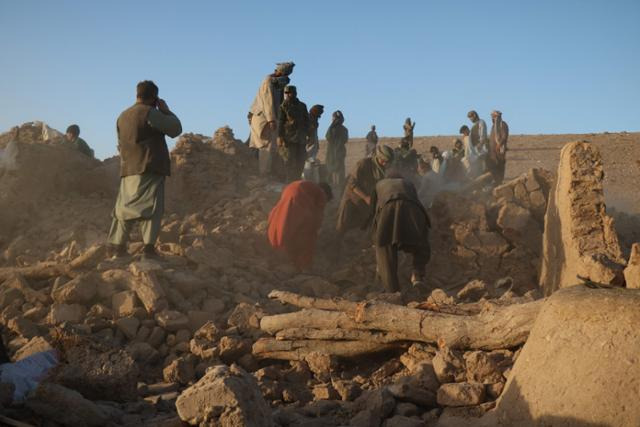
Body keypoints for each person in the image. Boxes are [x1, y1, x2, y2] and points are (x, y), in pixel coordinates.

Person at [107, 80, 182, 259]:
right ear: (155, 98)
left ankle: (117, 248)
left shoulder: (122, 116)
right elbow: (175, 129)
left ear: (137, 95)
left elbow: (120, 142)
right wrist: (166, 110)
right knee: (152, 208)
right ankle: (149, 250)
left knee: (124, 208)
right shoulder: (150, 113)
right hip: (149, 167)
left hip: (128, 169)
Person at [370, 175, 431, 292]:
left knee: (384, 247)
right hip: (413, 209)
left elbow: (373, 212)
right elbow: (416, 199)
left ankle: (392, 290)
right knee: (421, 241)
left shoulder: (379, 184)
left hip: (388, 210)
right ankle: (417, 276)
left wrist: (375, 239)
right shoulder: (408, 183)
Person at [267, 180, 333, 271]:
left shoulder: (306, 186)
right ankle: (304, 266)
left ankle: (280, 249)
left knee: (283, 221)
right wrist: (317, 228)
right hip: (299, 198)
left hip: (288, 191)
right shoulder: (321, 193)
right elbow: (317, 217)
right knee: (308, 233)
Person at [249, 62, 295, 176]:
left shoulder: (278, 83)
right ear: (281, 72)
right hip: (264, 119)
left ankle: (262, 173)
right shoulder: (268, 81)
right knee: (266, 146)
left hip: (271, 117)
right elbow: (268, 102)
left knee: (269, 147)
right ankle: (263, 174)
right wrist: (271, 120)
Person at [336, 144, 393, 235]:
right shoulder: (363, 164)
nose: (385, 164)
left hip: (368, 199)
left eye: (387, 162)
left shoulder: (383, 169)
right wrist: (366, 197)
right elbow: (351, 183)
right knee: (343, 224)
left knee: (364, 223)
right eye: (383, 160)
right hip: (352, 197)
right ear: (378, 157)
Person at [278, 85, 310, 183]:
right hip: (289, 139)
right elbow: (280, 122)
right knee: (289, 162)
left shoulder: (302, 106)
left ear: (295, 93)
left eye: (289, 93)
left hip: (301, 138)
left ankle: (297, 181)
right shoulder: (283, 106)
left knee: (301, 161)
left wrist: (309, 134)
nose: (287, 95)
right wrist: (280, 137)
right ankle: (289, 183)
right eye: (286, 93)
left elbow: (306, 121)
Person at [325, 110, 349, 187]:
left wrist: (332, 125)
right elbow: (345, 140)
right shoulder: (344, 129)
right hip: (339, 151)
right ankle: (339, 185)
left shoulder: (332, 128)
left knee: (331, 168)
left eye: (333, 118)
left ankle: (333, 185)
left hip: (333, 151)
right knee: (339, 168)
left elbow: (328, 137)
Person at [303, 104, 324, 183]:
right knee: (308, 164)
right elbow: (308, 133)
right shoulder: (309, 120)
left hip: (312, 146)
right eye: (319, 113)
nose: (320, 116)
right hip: (309, 146)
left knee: (312, 165)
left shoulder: (313, 120)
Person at [488, 110, 509, 185]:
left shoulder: (503, 125)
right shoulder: (493, 127)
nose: (493, 118)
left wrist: (499, 144)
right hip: (493, 152)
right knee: (494, 166)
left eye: (494, 117)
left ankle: (499, 182)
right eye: (492, 117)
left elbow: (504, 136)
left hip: (500, 151)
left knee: (500, 166)